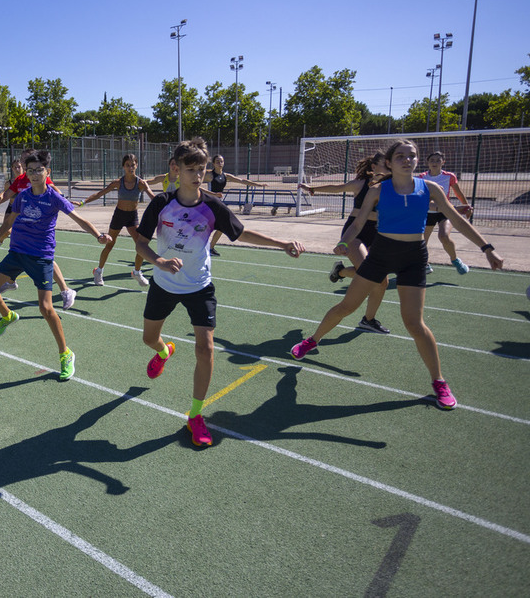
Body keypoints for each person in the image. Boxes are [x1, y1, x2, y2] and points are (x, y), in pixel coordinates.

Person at [290, 139, 504, 411]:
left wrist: (487, 248)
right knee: (347, 305)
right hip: (381, 253)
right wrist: (345, 242)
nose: (407, 160)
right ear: (389, 163)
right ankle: (312, 340)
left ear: (417, 161)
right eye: (400, 156)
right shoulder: (378, 190)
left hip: (414, 257)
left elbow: (458, 220)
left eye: (412, 155)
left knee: (414, 324)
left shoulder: (431, 188)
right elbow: (357, 222)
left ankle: (439, 382)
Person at [137, 139, 305, 447]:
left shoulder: (212, 206)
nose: (198, 175)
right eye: (191, 169)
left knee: (206, 349)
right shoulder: (161, 203)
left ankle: (196, 415)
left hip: (199, 285)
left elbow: (241, 232)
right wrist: (158, 261)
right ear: (176, 169)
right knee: (149, 338)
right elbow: (141, 242)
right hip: (164, 284)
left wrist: (282, 245)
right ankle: (164, 351)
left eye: (202, 169)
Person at [0, 150, 112, 381]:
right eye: (30, 171)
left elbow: (79, 220)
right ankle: (8, 316)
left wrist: (99, 235)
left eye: (39, 170)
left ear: (47, 172)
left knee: (46, 308)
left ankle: (66, 354)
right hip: (17, 253)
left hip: (40, 257)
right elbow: (8, 223)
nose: (34, 174)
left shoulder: (54, 197)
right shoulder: (22, 197)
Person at [298, 151, 393, 334]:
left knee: (382, 281)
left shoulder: (393, 187)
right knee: (368, 272)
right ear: (374, 167)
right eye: (386, 164)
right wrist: (313, 189)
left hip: (376, 234)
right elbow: (337, 187)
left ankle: (368, 319)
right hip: (355, 233)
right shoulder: (361, 184)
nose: (390, 168)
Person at [0, 154, 78, 310]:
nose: (26, 169)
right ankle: (11, 281)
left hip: (35, 225)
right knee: (18, 252)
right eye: (24, 167)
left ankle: (65, 290)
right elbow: (6, 195)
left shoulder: (40, 177)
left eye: (22, 165)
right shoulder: (19, 181)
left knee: (40, 257)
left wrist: (64, 200)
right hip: (19, 219)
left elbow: (53, 189)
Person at [77, 153, 156, 287]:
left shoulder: (141, 183)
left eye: (133, 165)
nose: (130, 167)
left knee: (141, 246)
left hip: (132, 216)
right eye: (127, 165)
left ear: (136, 165)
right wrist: (83, 202)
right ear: (123, 167)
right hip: (119, 216)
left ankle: (136, 272)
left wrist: (168, 206)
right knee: (110, 244)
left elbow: (154, 199)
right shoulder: (118, 183)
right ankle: (98, 271)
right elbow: (100, 193)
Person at [419, 150, 472, 275]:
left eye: (438, 160)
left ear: (443, 162)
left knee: (444, 236)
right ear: (427, 163)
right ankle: (425, 264)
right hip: (428, 211)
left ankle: (455, 260)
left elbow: (458, 193)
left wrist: (466, 207)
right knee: (422, 241)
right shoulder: (421, 177)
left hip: (444, 210)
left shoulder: (449, 177)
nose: (435, 162)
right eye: (432, 160)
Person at [204, 154, 268, 256]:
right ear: (213, 164)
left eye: (221, 161)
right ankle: (201, 247)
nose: (220, 163)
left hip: (219, 204)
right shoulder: (209, 175)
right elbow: (196, 181)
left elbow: (242, 181)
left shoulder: (225, 176)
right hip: (209, 204)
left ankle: (210, 248)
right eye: (217, 162)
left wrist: (258, 184)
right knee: (207, 227)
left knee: (221, 228)